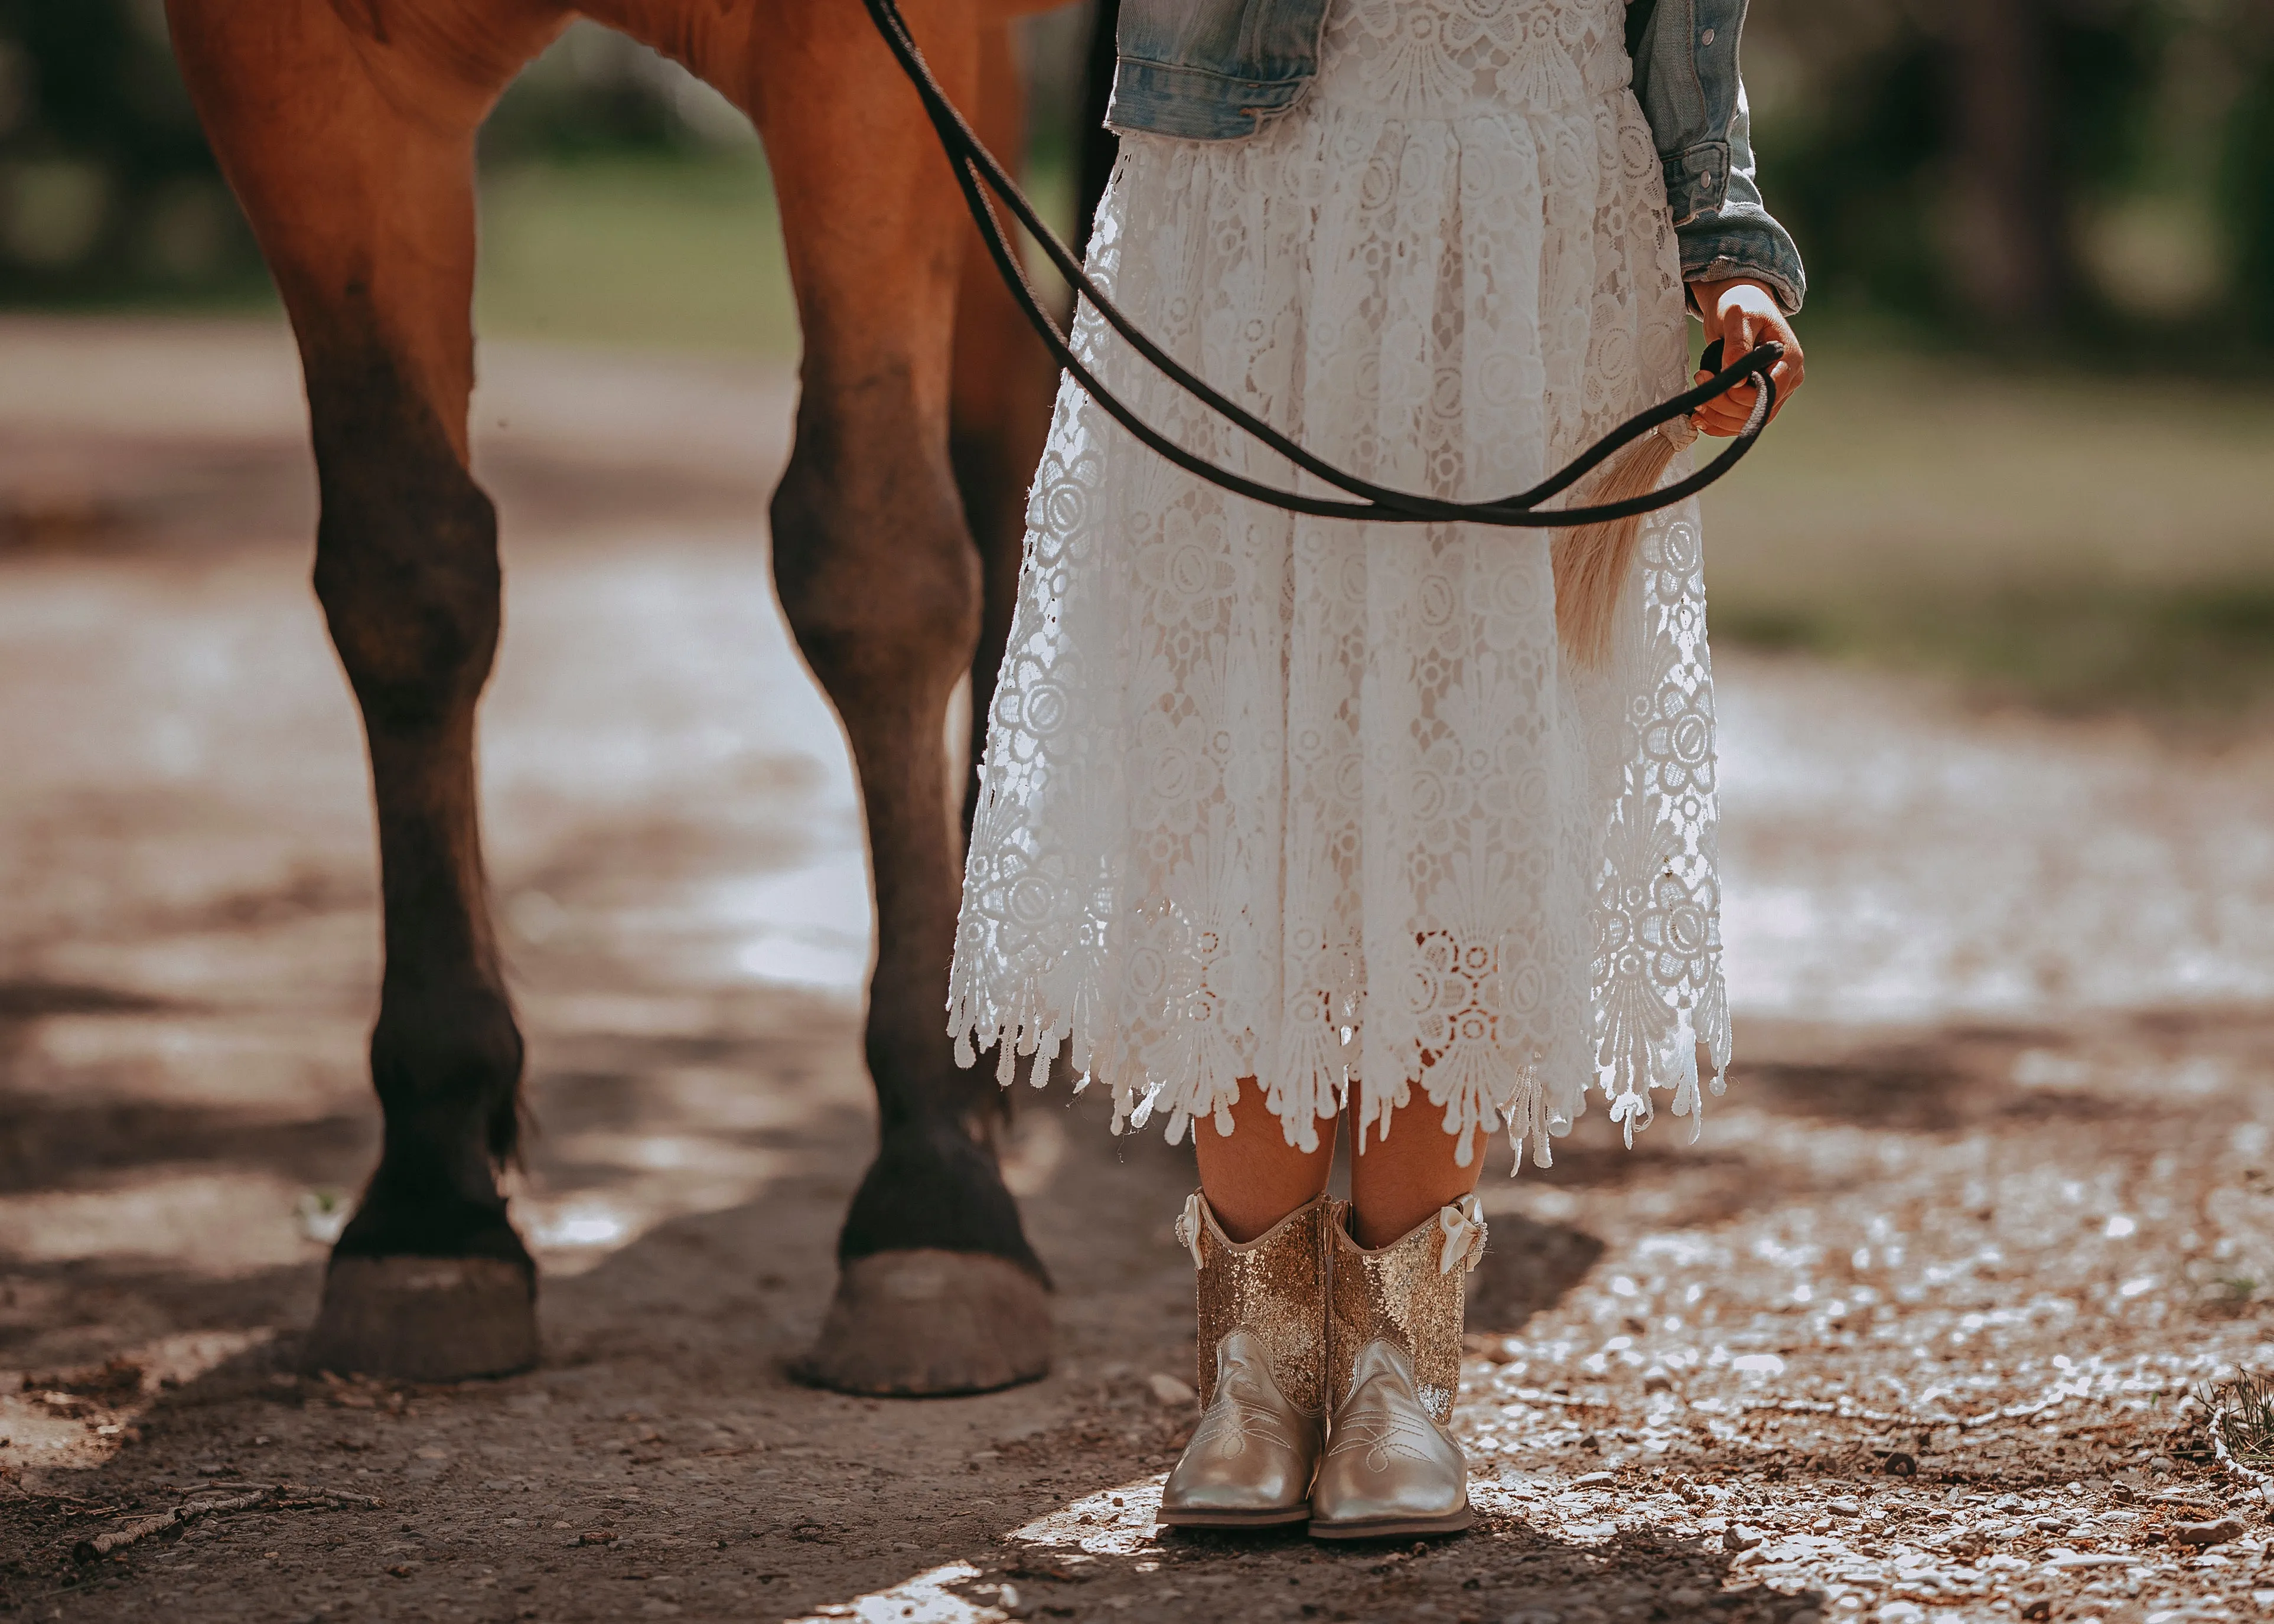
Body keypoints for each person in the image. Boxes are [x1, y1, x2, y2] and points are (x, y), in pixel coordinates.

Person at [949, 0, 1805, 1538]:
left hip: (1534, 185)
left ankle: (1399, 1372)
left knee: (1461, 758)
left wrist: (1726, 239)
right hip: (1254, 182)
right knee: (1243, 745)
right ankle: (1260, 1366)